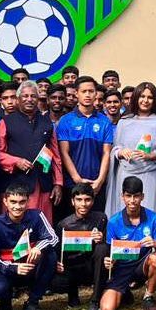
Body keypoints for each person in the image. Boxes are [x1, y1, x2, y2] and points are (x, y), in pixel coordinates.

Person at [0, 185, 59, 310]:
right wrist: (13, 268)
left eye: (22, 202)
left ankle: (32, 303)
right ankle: (5, 299)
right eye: (13, 202)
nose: (17, 207)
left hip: (30, 266)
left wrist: (39, 247)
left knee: (50, 255)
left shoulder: (37, 215)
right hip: (8, 268)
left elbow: (53, 238)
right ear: (5, 201)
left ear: (27, 202)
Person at [100, 176, 156, 310]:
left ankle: (148, 297)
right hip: (121, 269)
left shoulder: (153, 218)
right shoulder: (114, 221)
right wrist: (110, 261)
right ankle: (125, 293)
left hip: (142, 266)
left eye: (136, 196)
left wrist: (155, 244)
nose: (132, 200)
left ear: (142, 196)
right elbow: (110, 252)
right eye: (128, 196)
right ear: (122, 196)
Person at [0, 80, 63, 220]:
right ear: (18, 99)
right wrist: (15, 161)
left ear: (38, 99)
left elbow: (55, 155)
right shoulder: (5, 122)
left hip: (43, 185)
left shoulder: (47, 123)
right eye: (25, 96)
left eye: (33, 96)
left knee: (42, 227)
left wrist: (58, 183)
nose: (29, 99)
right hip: (15, 186)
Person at [106, 82, 156, 218]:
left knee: (148, 212)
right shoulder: (124, 121)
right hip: (126, 173)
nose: (145, 100)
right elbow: (115, 148)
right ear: (136, 97)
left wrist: (152, 155)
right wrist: (121, 152)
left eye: (150, 97)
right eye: (142, 96)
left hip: (151, 175)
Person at [57, 77, 115, 211]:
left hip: (97, 186)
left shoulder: (104, 121)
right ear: (76, 93)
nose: (88, 95)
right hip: (72, 184)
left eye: (91, 91)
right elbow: (64, 153)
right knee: (71, 226)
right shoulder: (66, 121)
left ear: (96, 94)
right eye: (84, 91)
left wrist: (100, 181)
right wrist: (77, 179)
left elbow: (107, 153)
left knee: (97, 225)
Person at [54, 182, 110, 310]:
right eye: (79, 200)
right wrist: (57, 264)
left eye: (87, 200)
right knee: (55, 282)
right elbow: (57, 252)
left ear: (93, 201)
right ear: (73, 202)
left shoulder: (101, 219)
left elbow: (109, 246)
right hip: (72, 268)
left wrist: (102, 238)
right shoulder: (64, 225)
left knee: (102, 249)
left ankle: (95, 301)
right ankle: (72, 295)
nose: (83, 204)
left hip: (92, 266)